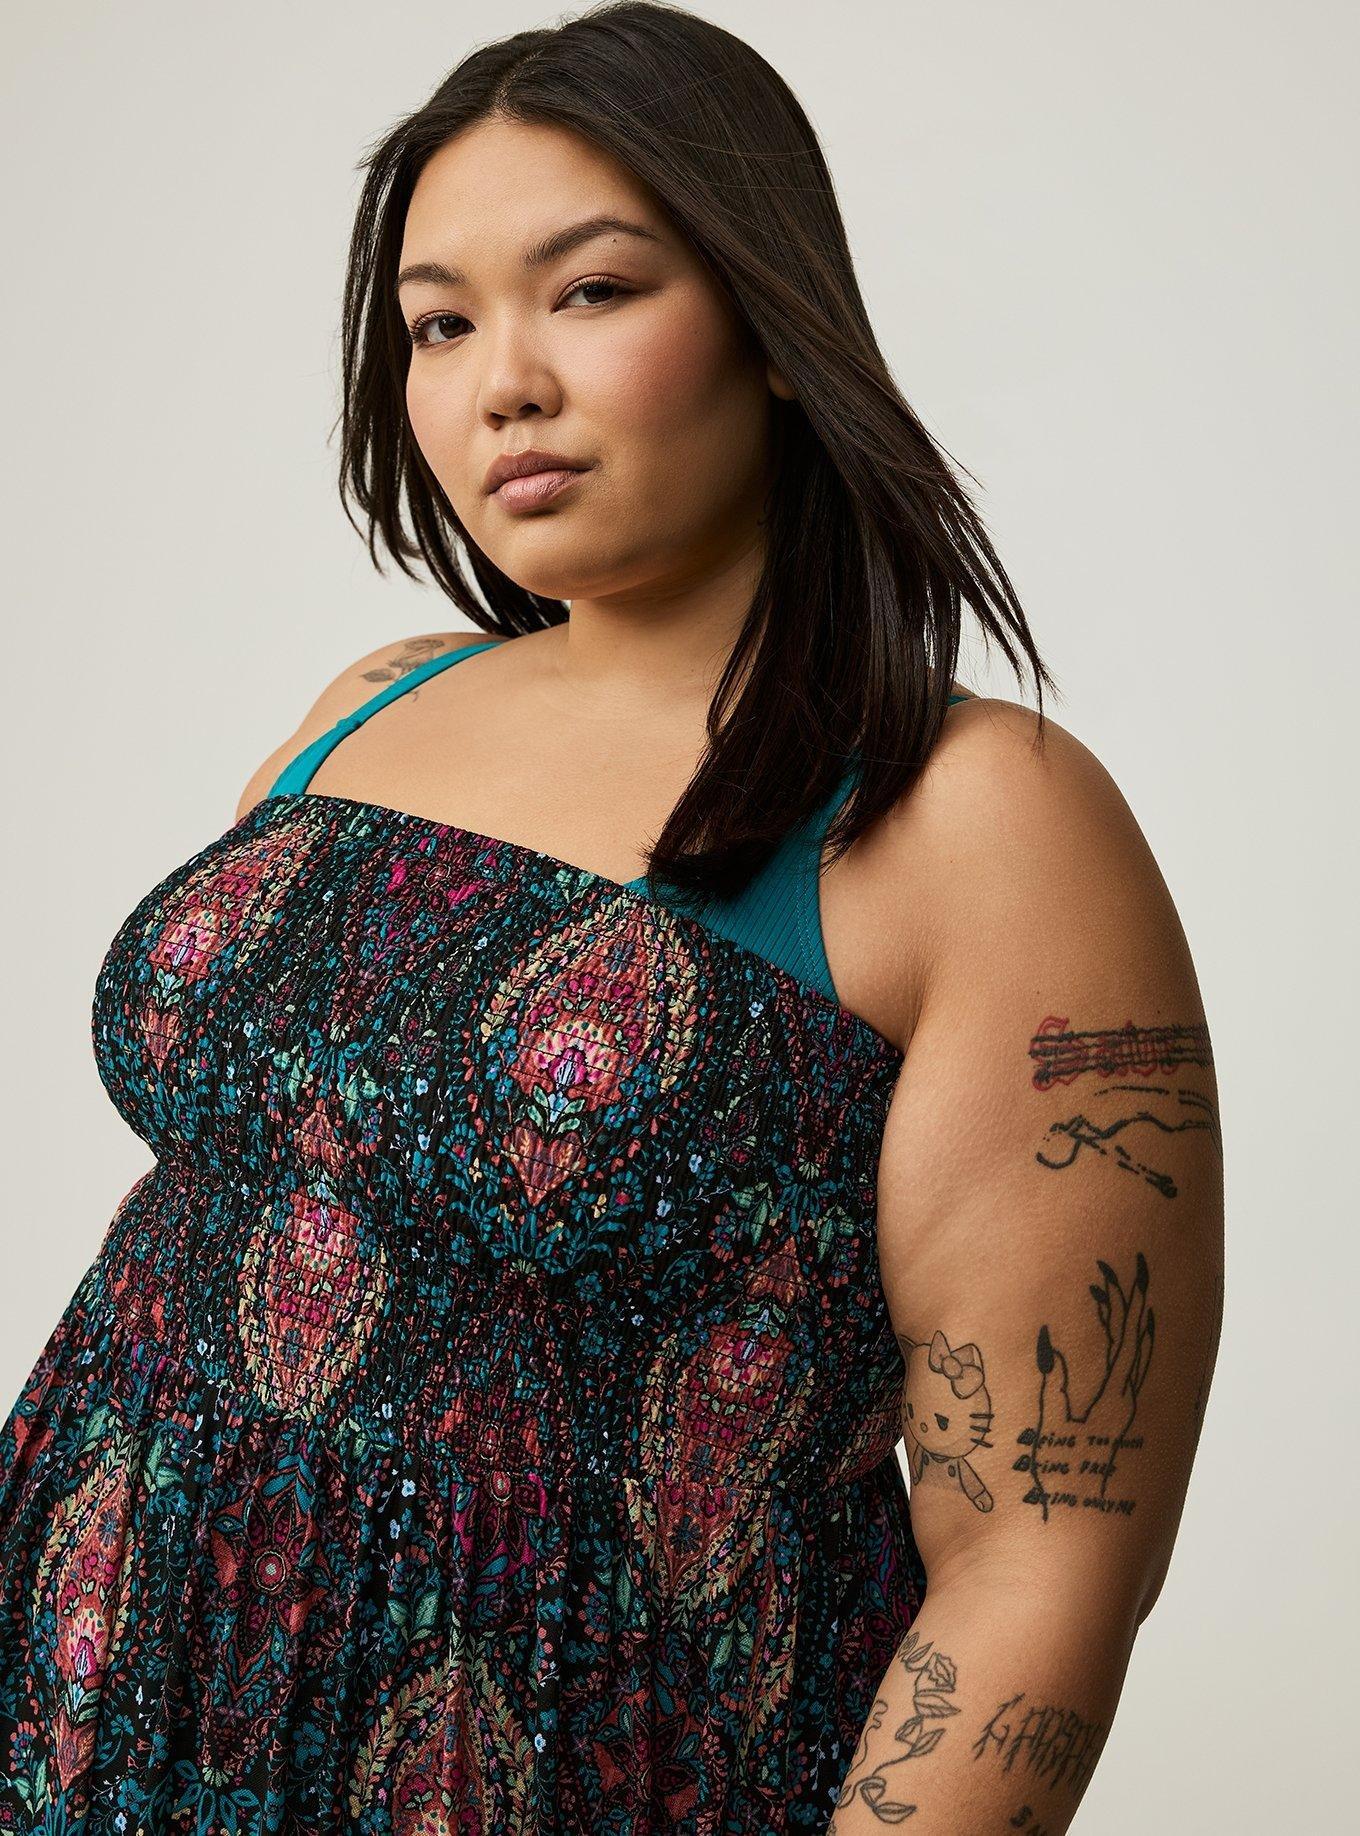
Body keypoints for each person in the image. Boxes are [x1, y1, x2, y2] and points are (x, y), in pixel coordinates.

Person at [0, 3, 1223, 1830]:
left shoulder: (969, 816)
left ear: (776, 324)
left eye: (589, 291)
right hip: (86, 1720)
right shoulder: (367, 709)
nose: (502, 381)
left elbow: (1044, 1555)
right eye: (439, 323)